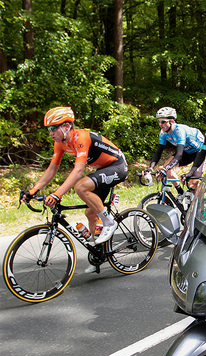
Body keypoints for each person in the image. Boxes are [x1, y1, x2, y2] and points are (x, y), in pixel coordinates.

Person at [22, 107, 128, 272]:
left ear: (66, 126)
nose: (50, 133)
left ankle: (109, 222)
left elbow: (78, 171)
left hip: (117, 166)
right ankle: (99, 254)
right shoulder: (60, 143)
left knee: (80, 186)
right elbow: (52, 170)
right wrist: (34, 190)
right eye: (48, 129)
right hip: (102, 170)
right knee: (90, 213)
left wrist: (57, 194)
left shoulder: (81, 137)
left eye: (53, 128)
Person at [143, 107, 205, 200]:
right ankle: (181, 192)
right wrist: (151, 168)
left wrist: (165, 169)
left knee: (192, 184)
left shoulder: (180, 130)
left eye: (163, 121)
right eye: (159, 121)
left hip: (199, 152)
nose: (160, 124)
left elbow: (179, 155)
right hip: (187, 152)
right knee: (167, 167)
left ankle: (199, 206)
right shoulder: (163, 133)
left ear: (171, 121)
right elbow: (158, 152)